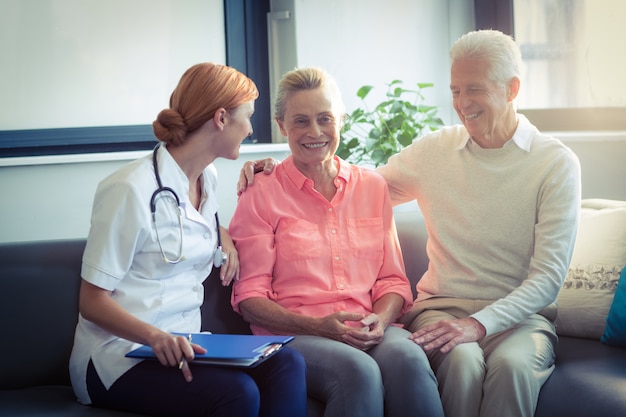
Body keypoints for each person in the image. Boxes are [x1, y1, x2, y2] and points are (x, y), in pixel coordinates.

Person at [237, 30, 582, 417]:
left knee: (511, 369)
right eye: (455, 90)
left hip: (519, 318)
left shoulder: (555, 163)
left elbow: (548, 278)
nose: (462, 103)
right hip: (443, 308)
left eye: (474, 89)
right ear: (282, 126)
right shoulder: (435, 151)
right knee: (460, 362)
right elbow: (354, 186)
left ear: (512, 88)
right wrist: (268, 172)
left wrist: (475, 324)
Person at [69, 62, 307, 417]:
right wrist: (154, 337)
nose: (252, 129)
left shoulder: (206, 178)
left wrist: (221, 233)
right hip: (118, 356)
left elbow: (185, 224)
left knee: (287, 362)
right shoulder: (128, 190)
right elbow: (92, 301)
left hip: (185, 343)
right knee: (237, 393)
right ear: (221, 118)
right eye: (248, 116)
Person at [228, 67, 444, 417]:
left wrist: (380, 318)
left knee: (408, 358)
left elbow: (392, 281)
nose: (315, 132)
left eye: (325, 119)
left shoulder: (372, 187)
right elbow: (250, 299)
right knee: (357, 372)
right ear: (282, 126)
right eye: (300, 121)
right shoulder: (260, 192)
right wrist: (316, 326)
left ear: (341, 120)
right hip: (295, 334)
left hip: (365, 327)